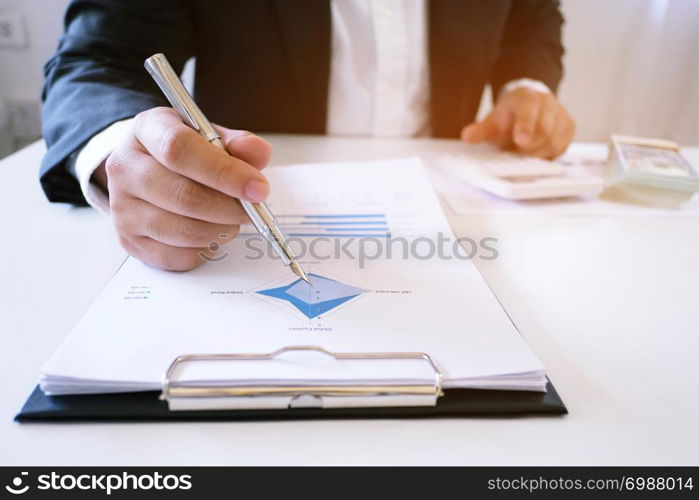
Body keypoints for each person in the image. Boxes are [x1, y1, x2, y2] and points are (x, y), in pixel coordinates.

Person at [40, 0, 574, 271]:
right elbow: (96, 60)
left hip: (470, 210)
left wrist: (526, 86)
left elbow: (533, 17)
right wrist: (126, 152)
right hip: (241, 213)